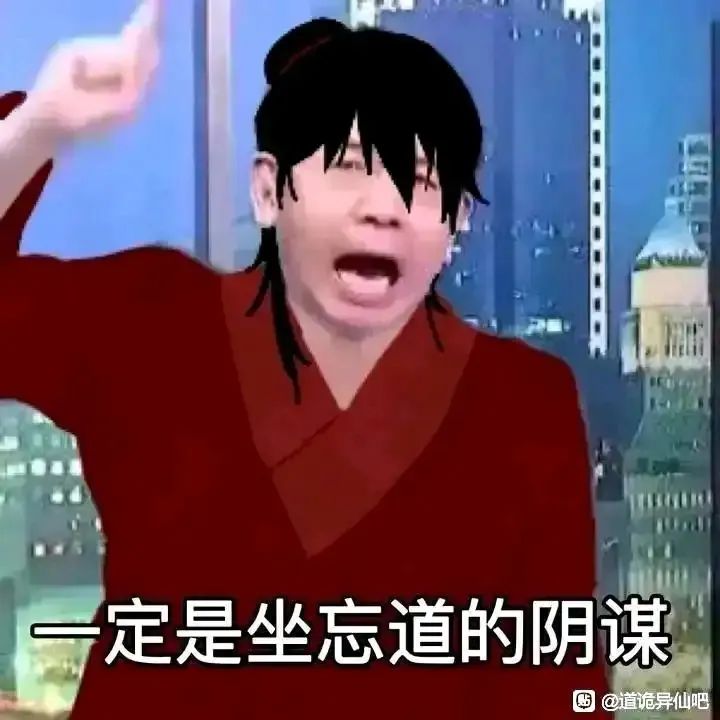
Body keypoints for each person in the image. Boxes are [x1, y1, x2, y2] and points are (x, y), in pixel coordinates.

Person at [0, 1, 611, 717]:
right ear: (269, 191)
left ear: (456, 223)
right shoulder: (152, 326)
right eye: (348, 166)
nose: (383, 207)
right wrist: (35, 129)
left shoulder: (522, 403)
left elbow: (554, 681)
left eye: (420, 180)